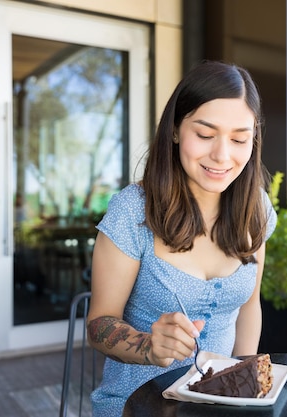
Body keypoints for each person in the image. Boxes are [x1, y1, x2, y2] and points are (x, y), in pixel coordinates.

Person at [87, 60, 277, 416]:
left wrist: (247, 390)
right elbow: (99, 323)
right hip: (135, 404)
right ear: (175, 130)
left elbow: (249, 307)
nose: (222, 155)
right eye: (205, 135)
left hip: (219, 404)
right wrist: (148, 345)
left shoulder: (257, 210)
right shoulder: (133, 211)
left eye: (239, 139)